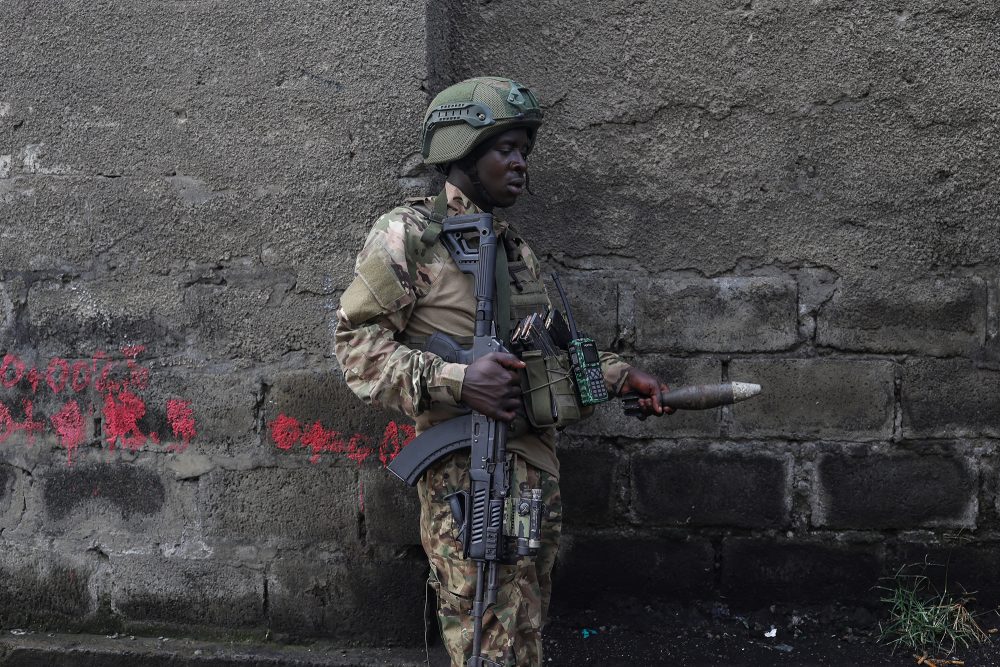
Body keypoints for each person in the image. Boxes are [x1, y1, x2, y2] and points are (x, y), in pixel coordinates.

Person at [334, 76, 671, 667]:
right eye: (505, 149)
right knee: (486, 634)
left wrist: (618, 377)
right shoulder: (408, 236)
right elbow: (355, 347)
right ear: (462, 151)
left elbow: (541, 349)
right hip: (467, 477)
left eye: (524, 151)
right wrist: (459, 380)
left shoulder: (515, 250)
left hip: (533, 472)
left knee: (525, 632)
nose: (519, 164)